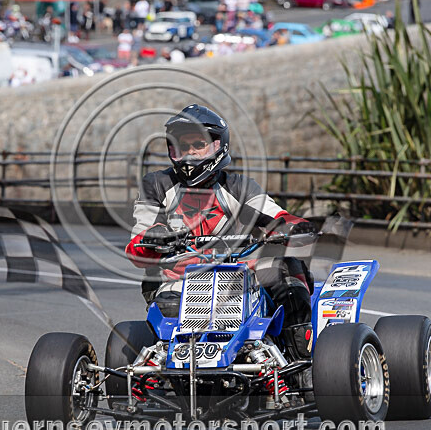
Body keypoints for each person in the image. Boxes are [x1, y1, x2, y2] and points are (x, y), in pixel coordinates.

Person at [125, 104, 317, 361]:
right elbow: (137, 245)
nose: (191, 153)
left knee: (288, 275)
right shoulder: (157, 185)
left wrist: (293, 226)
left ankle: (301, 364)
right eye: (183, 146)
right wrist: (155, 237)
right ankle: (163, 369)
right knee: (167, 308)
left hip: (242, 277)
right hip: (180, 280)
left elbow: (274, 214)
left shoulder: (237, 186)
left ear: (217, 146)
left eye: (198, 145)